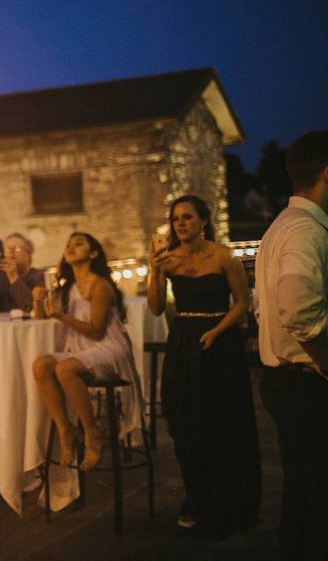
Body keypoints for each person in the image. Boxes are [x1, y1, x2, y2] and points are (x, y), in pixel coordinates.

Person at [147, 194, 260, 539]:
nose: (180, 223)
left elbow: (242, 303)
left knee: (220, 423)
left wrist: (218, 331)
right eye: (176, 218)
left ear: (202, 221)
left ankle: (225, 501)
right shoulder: (168, 260)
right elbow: (154, 308)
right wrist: (153, 268)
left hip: (219, 342)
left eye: (187, 217)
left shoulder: (223, 256)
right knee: (185, 422)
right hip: (184, 341)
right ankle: (196, 494)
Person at [256, 131, 328, 560]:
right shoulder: (305, 231)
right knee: (313, 495)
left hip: (287, 379)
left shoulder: (282, 226)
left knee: (306, 490)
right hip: (305, 383)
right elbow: (299, 311)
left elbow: (261, 305)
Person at [31, 232, 142, 471]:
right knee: (41, 365)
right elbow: (42, 318)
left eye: (78, 244)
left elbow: (95, 331)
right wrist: (38, 302)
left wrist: (61, 316)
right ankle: (66, 430)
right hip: (81, 349)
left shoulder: (99, 285)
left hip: (109, 348)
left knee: (65, 368)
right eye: (68, 244)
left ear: (93, 254)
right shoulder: (67, 286)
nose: (70, 247)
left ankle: (92, 435)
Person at [0, 232, 45, 313]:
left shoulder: (39, 277)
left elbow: (31, 309)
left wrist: (13, 277)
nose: (11, 253)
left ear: (29, 257)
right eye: (7, 249)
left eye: (17, 249)